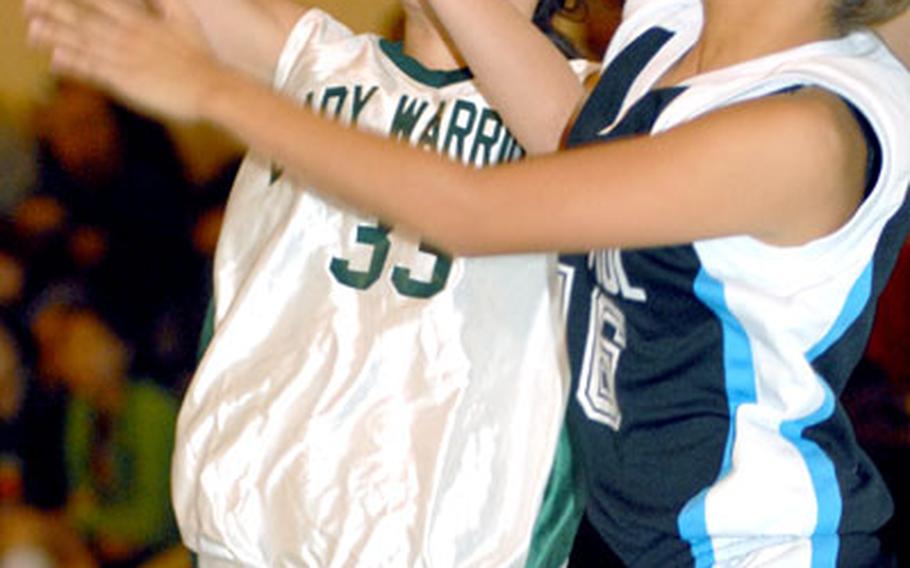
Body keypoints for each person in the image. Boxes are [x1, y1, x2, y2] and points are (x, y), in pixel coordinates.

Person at [23, 0, 910, 565]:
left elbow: (471, 211)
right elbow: (567, 131)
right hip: (631, 534)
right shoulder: (667, 37)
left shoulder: (803, 132)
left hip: (752, 545)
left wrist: (215, 92)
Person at [28, 0, 593, 566]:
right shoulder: (316, 58)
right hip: (250, 531)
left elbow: (567, 130)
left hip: (449, 542)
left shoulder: (594, 111)